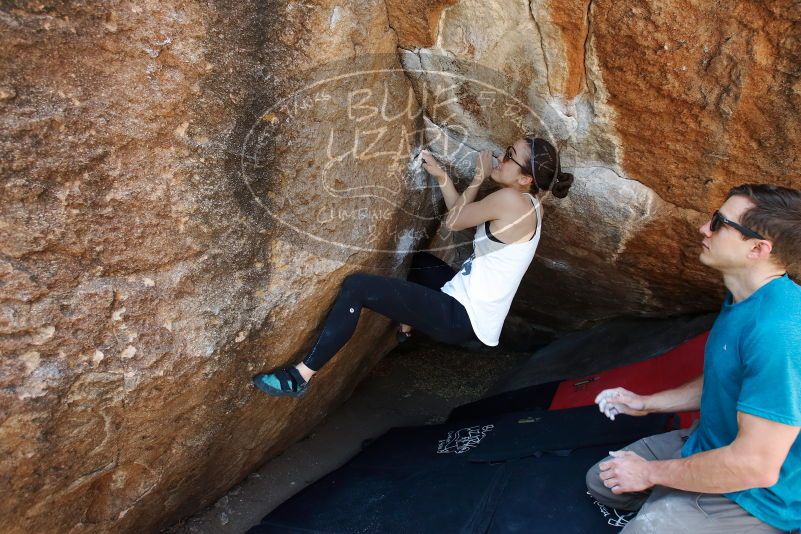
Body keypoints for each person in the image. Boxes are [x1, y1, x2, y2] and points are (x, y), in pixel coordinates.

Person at [252, 137, 574, 397]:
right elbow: (464, 216)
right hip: (468, 305)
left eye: (509, 156)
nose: (500, 158)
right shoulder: (531, 205)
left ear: (524, 178)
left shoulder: (510, 201)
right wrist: (442, 177)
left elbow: (454, 221)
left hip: (460, 316)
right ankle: (407, 327)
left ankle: (301, 376)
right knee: (419, 262)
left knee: (357, 287)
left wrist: (477, 177)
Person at [586, 184, 801, 533]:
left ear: (758, 249)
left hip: (763, 495)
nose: (704, 228)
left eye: (719, 222)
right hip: (713, 443)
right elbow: (726, 378)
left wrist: (648, 473)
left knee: (645, 526)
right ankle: (676, 497)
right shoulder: (743, 296)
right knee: (601, 481)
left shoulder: (779, 332)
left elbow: (756, 465)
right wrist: (646, 404)